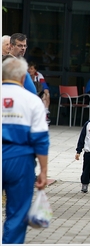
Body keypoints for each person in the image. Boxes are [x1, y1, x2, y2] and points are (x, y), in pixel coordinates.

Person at [2, 57, 49, 244]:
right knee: (18, 212)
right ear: (23, 78)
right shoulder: (32, 101)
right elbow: (41, 140)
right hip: (20, 160)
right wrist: (43, 171)